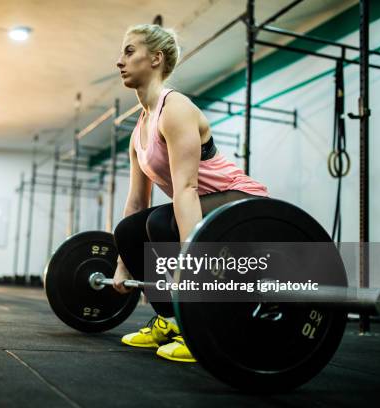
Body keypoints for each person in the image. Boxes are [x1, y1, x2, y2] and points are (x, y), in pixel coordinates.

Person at [112, 24, 269, 362]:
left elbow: (186, 189)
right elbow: (136, 202)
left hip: (243, 202)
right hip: (203, 206)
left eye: (129, 51)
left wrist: (191, 266)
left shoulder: (176, 108)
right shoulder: (140, 129)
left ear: (155, 58)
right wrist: (123, 264)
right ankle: (170, 321)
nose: (119, 61)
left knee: (161, 222)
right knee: (129, 229)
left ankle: (199, 325)